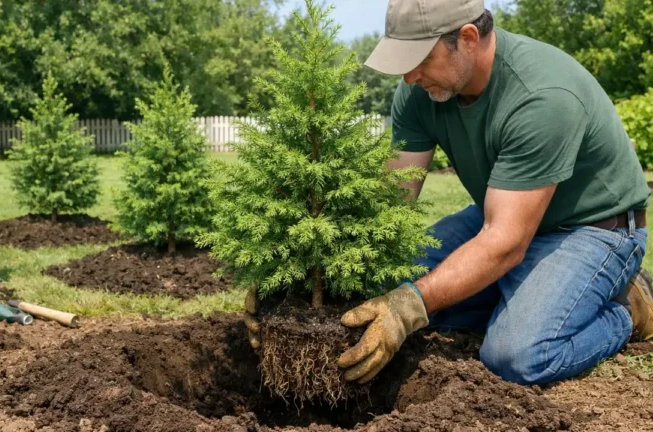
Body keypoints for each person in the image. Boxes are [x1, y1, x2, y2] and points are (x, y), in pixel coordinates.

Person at [245, 0, 653, 386]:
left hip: (592, 229)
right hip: (501, 215)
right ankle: (520, 296)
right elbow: (391, 202)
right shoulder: (419, 93)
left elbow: (506, 243)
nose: (408, 78)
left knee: (516, 354)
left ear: (469, 38)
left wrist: (409, 307)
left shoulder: (542, 96)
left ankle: (627, 307)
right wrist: (296, 272)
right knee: (378, 286)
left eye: (420, 61)